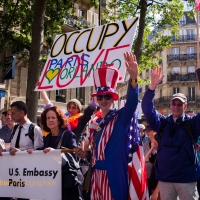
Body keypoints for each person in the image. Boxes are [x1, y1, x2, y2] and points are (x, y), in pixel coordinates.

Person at [75, 51, 138, 200]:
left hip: (114, 176)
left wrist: (134, 78)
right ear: (96, 99)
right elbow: (95, 151)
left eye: (107, 96)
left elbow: (132, 104)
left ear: (113, 97)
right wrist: (86, 153)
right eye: (100, 97)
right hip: (95, 177)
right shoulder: (94, 124)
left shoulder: (120, 117)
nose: (104, 100)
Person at [142, 66, 200, 200]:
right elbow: (147, 108)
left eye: (180, 104)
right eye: (174, 104)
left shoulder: (192, 124)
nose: (176, 107)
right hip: (165, 178)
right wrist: (152, 87)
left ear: (185, 106)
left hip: (186, 179)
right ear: (170, 105)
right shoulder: (162, 123)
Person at [39, 106, 80, 200]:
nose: (50, 120)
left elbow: (74, 155)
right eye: (48, 118)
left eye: (53, 117)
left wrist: (57, 153)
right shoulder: (47, 137)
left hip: (65, 182)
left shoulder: (68, 134)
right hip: (51, 181)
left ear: (59, 120)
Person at [144, 127, 160, 200]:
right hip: (151, 181)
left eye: (149, 130)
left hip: (159, 187)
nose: (147, 132)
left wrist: (156, 192)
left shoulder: (162, 156)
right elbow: (144, 160)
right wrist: (152, 148)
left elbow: (164, 175)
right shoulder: (156, 155)